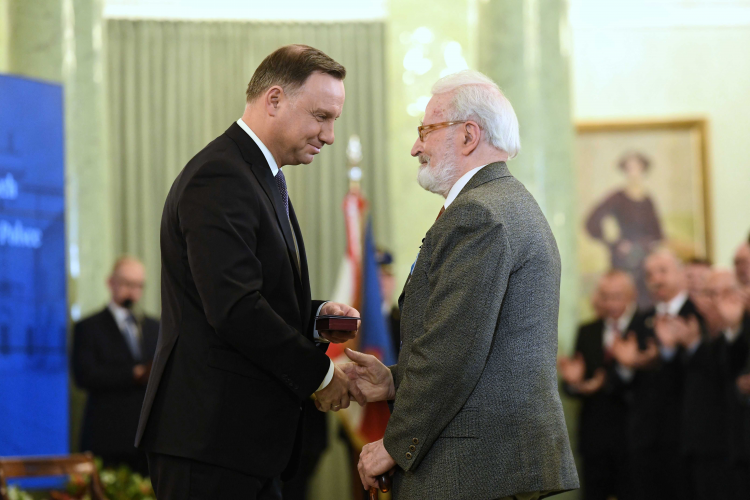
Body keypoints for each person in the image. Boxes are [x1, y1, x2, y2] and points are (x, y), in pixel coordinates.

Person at [134, 45, 360, 500]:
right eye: (321, 116)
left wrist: (314, 316)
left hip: (240, 444)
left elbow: (249, 293)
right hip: (209, 442)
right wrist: (321, 376)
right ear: (273, 100)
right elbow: (235, 308)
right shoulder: (221, 175)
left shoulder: (257, 174)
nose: (330, 135)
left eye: (333, 119)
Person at [341, 70, 579, 499]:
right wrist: (395, 381)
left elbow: (453, 352)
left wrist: (395, 445)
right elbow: (481, 352)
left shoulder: (479, 214)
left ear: (469, 135)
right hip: (488, 467)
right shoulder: (504, 202)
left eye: (426, 131)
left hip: (470, 471)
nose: (416, 147)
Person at [71, 256, 158, 475]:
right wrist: (133, 374)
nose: (133, 292)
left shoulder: (154, 327)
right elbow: (84, 375)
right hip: (107, 435)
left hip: (147, 439)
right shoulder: (89, 327)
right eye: (127, 284)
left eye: (138, 285)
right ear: (111, 283)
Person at [558, 270, 640, 500]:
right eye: (605, 296)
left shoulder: (643, 326)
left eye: (617, 296)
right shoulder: (588, 331)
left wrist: (617, 374)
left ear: (631, 295)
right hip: (595, 439)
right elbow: (573, 381)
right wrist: (576, 383)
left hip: (633, 437)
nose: (611, 303)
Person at [585, 152, 664, 309]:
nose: (633, 172)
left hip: (644, 260)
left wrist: (645, 245)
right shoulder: (617, 197)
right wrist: (614, 243)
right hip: (623, 259)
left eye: (637, 168)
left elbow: (658, 233)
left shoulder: (647, 200)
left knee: (645, 302)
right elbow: (592, 221)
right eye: (629, 168)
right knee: (621, 299)